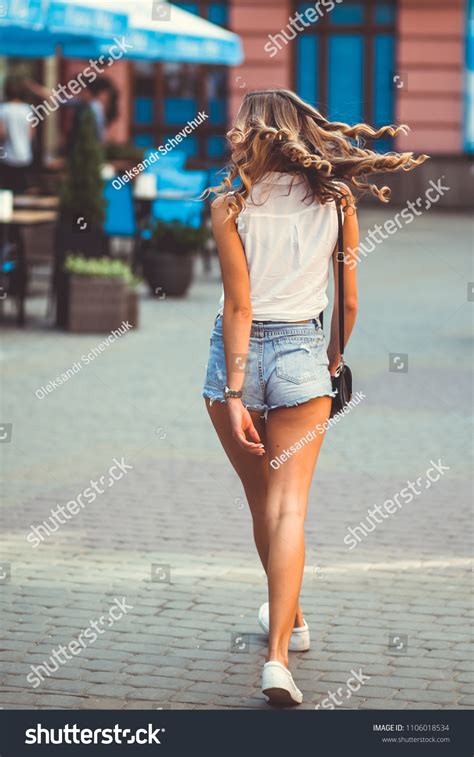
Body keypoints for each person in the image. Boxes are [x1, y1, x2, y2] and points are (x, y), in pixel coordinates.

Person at [202, 89, 428, 706]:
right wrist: (332, 357)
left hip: (239, 361)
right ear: (303, 132)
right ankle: (281, 651)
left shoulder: (230, 205)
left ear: (252, 134)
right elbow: (349, 299)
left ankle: (289, 625)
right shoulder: (339, 199)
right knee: (290, 509)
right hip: (306, 355)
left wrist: (236, 391)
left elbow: (239, 307)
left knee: (261, 505)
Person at [0, 77, 34, 193]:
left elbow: (2, 134)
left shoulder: (3, 109)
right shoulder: (27, 109)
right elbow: (31, 134)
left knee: (7, 191)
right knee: (21, 189)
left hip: (8, 156)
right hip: (25, 155)